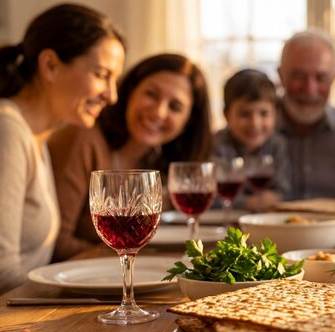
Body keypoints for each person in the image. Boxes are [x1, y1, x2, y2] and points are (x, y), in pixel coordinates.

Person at [0, 3, 125, 294]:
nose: (113, 95)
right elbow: (0, 275)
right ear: (50, 65)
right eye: (101, 74)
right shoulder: (6, 130)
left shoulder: (35, 135)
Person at [48, 53, 212, 262]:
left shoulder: (160, 165)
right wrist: (129, 260)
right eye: (151, 94)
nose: (159, 113)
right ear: (130, 91)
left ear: (188, 121)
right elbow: (55, 245)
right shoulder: (82, 138)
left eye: (175, 107)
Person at [276, 29, 335, 200]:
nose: (310, 89)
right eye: (298, 76)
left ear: (334, 79)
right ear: (281, 76)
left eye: (320, 78)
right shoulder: (253, 128)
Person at [212, 69, 291, 211]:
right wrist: (248, 202)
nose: (255, 123)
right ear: (227, 115)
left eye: (264, 113)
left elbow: (284, 191)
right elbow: (211, 197)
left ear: (275, 115)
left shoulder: (278, 145)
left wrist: (273, 197)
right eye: (244, 114)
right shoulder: (217, 144)